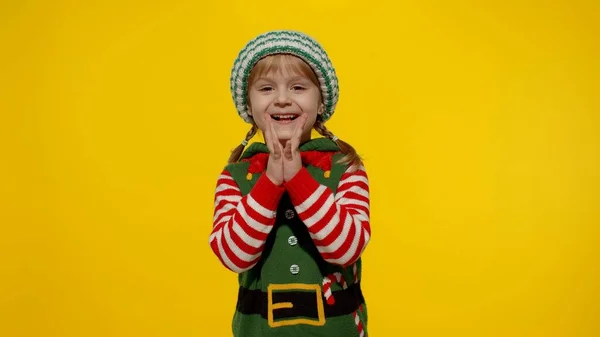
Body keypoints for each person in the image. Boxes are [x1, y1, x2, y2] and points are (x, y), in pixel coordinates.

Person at [209, 30, 371, 337]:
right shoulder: (235, 176)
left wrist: (298, 179)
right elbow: (233, 255)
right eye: (267, 88)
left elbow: (345, 249)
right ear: (249, 104)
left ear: (320, 100)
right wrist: (270, 181)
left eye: (298, 87)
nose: (282, 99)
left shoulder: (346, 168)